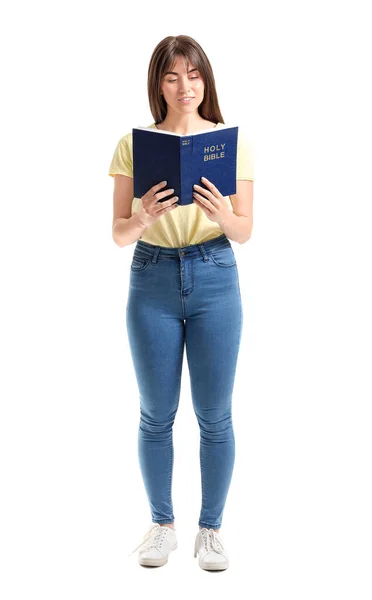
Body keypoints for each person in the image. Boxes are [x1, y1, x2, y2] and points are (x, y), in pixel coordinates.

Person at [108, 35, 254, 571]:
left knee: (215, 415)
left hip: (215, 273)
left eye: (193, 75)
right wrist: (144, 216)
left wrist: (220, 214)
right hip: (152, 278)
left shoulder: (228, 142)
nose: (184, 86)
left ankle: (210, 531)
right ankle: (161, 525)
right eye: (172, 76)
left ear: (205, 80)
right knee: (156, 414)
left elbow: (246, 230)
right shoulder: (134, 144)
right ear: (159, 84)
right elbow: (119, 233)